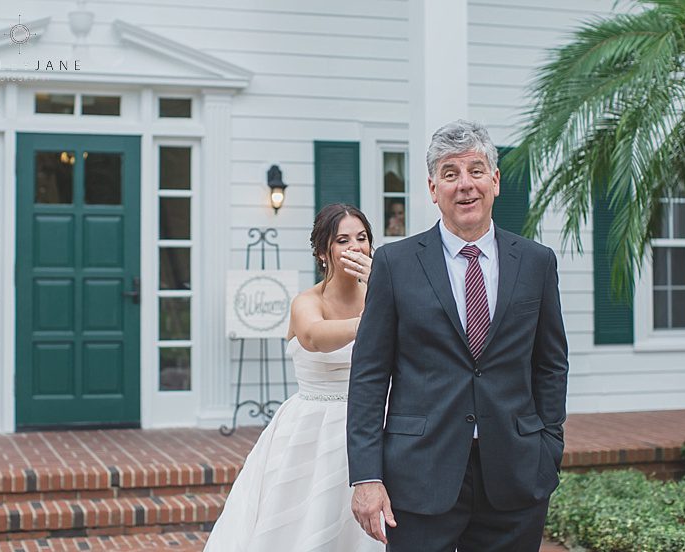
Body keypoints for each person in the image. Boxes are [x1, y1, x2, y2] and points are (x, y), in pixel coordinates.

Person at [347, 120, 568, 551]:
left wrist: (548, 444)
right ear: (433, 189)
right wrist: (367, 476)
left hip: (516, 473)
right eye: (450, 173)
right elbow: (370, 376)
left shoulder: (537, 263)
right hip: (420, 475)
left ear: (495, 180)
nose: (465, 185)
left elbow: (550, 363)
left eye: (476, 170)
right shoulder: (396, 265)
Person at [205, 203, 382, 552]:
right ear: (322, 252)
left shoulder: (383, 294)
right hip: (313, 433)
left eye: (362, 238)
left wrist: (381, 289)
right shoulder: (306, 301)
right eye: (343, 240)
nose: (355, 247)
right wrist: (377, 318)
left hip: (375, 427)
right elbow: (314, 337)